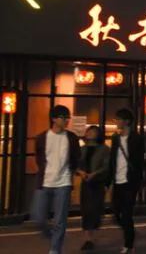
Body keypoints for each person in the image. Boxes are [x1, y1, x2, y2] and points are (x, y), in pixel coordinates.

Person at [34, 105, 81, 254]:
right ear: (54, 119)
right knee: (39, 218)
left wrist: (74, 171)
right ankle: (51, 237)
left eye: (68, 117)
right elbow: (39, 158)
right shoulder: (42, 137)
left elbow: (76, 158)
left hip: (64, 183)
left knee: (60, 220)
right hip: (45, 182)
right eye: (63, 117)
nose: (67, 120)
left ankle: (55, 249)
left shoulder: (72, 138)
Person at [107, 108, 145, 254]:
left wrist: (138, 180)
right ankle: (130, 234)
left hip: (130, 182)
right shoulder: (115, 138)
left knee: (127, 214)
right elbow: (112, 160)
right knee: (115, 212)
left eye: (118, 119)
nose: (116, 122)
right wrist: (108, 181)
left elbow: (139, 161)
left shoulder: (137, 138)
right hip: (117, 180)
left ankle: (129, 244)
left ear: (127, 121)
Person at [78, 125, 110, 250]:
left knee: (95, 209)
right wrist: (80, 172)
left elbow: (107, 166)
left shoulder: (104, 149)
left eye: (93, 131)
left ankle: (91, 235)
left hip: (98, 183)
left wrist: (95, 174)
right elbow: (75, 164)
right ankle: (87, 239)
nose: (90, 133)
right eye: (88, 131)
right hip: (85, 182)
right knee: (85, 210)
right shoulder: (82, 149)